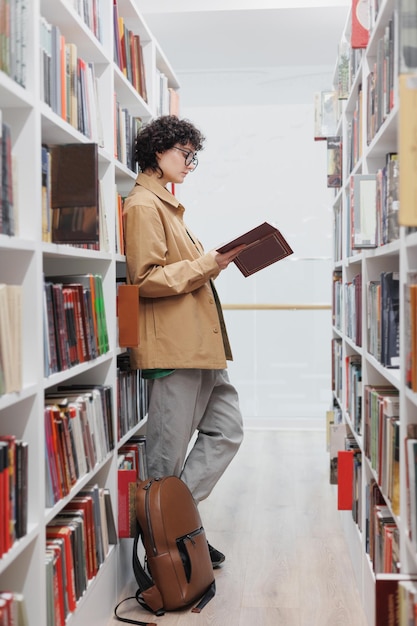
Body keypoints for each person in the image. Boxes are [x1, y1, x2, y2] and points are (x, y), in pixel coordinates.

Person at [123, 115, 244, 568]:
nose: (191, 163)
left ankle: (177, 522)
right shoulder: (142, 205)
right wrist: (208, 263)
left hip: (201, 346)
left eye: (195, 156)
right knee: (166, 458)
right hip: (174, 349)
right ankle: (170, 549)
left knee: (227, 430)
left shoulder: (169, 207)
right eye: (185, 154)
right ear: (159, 152)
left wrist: (212, 262)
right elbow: (146, 279)